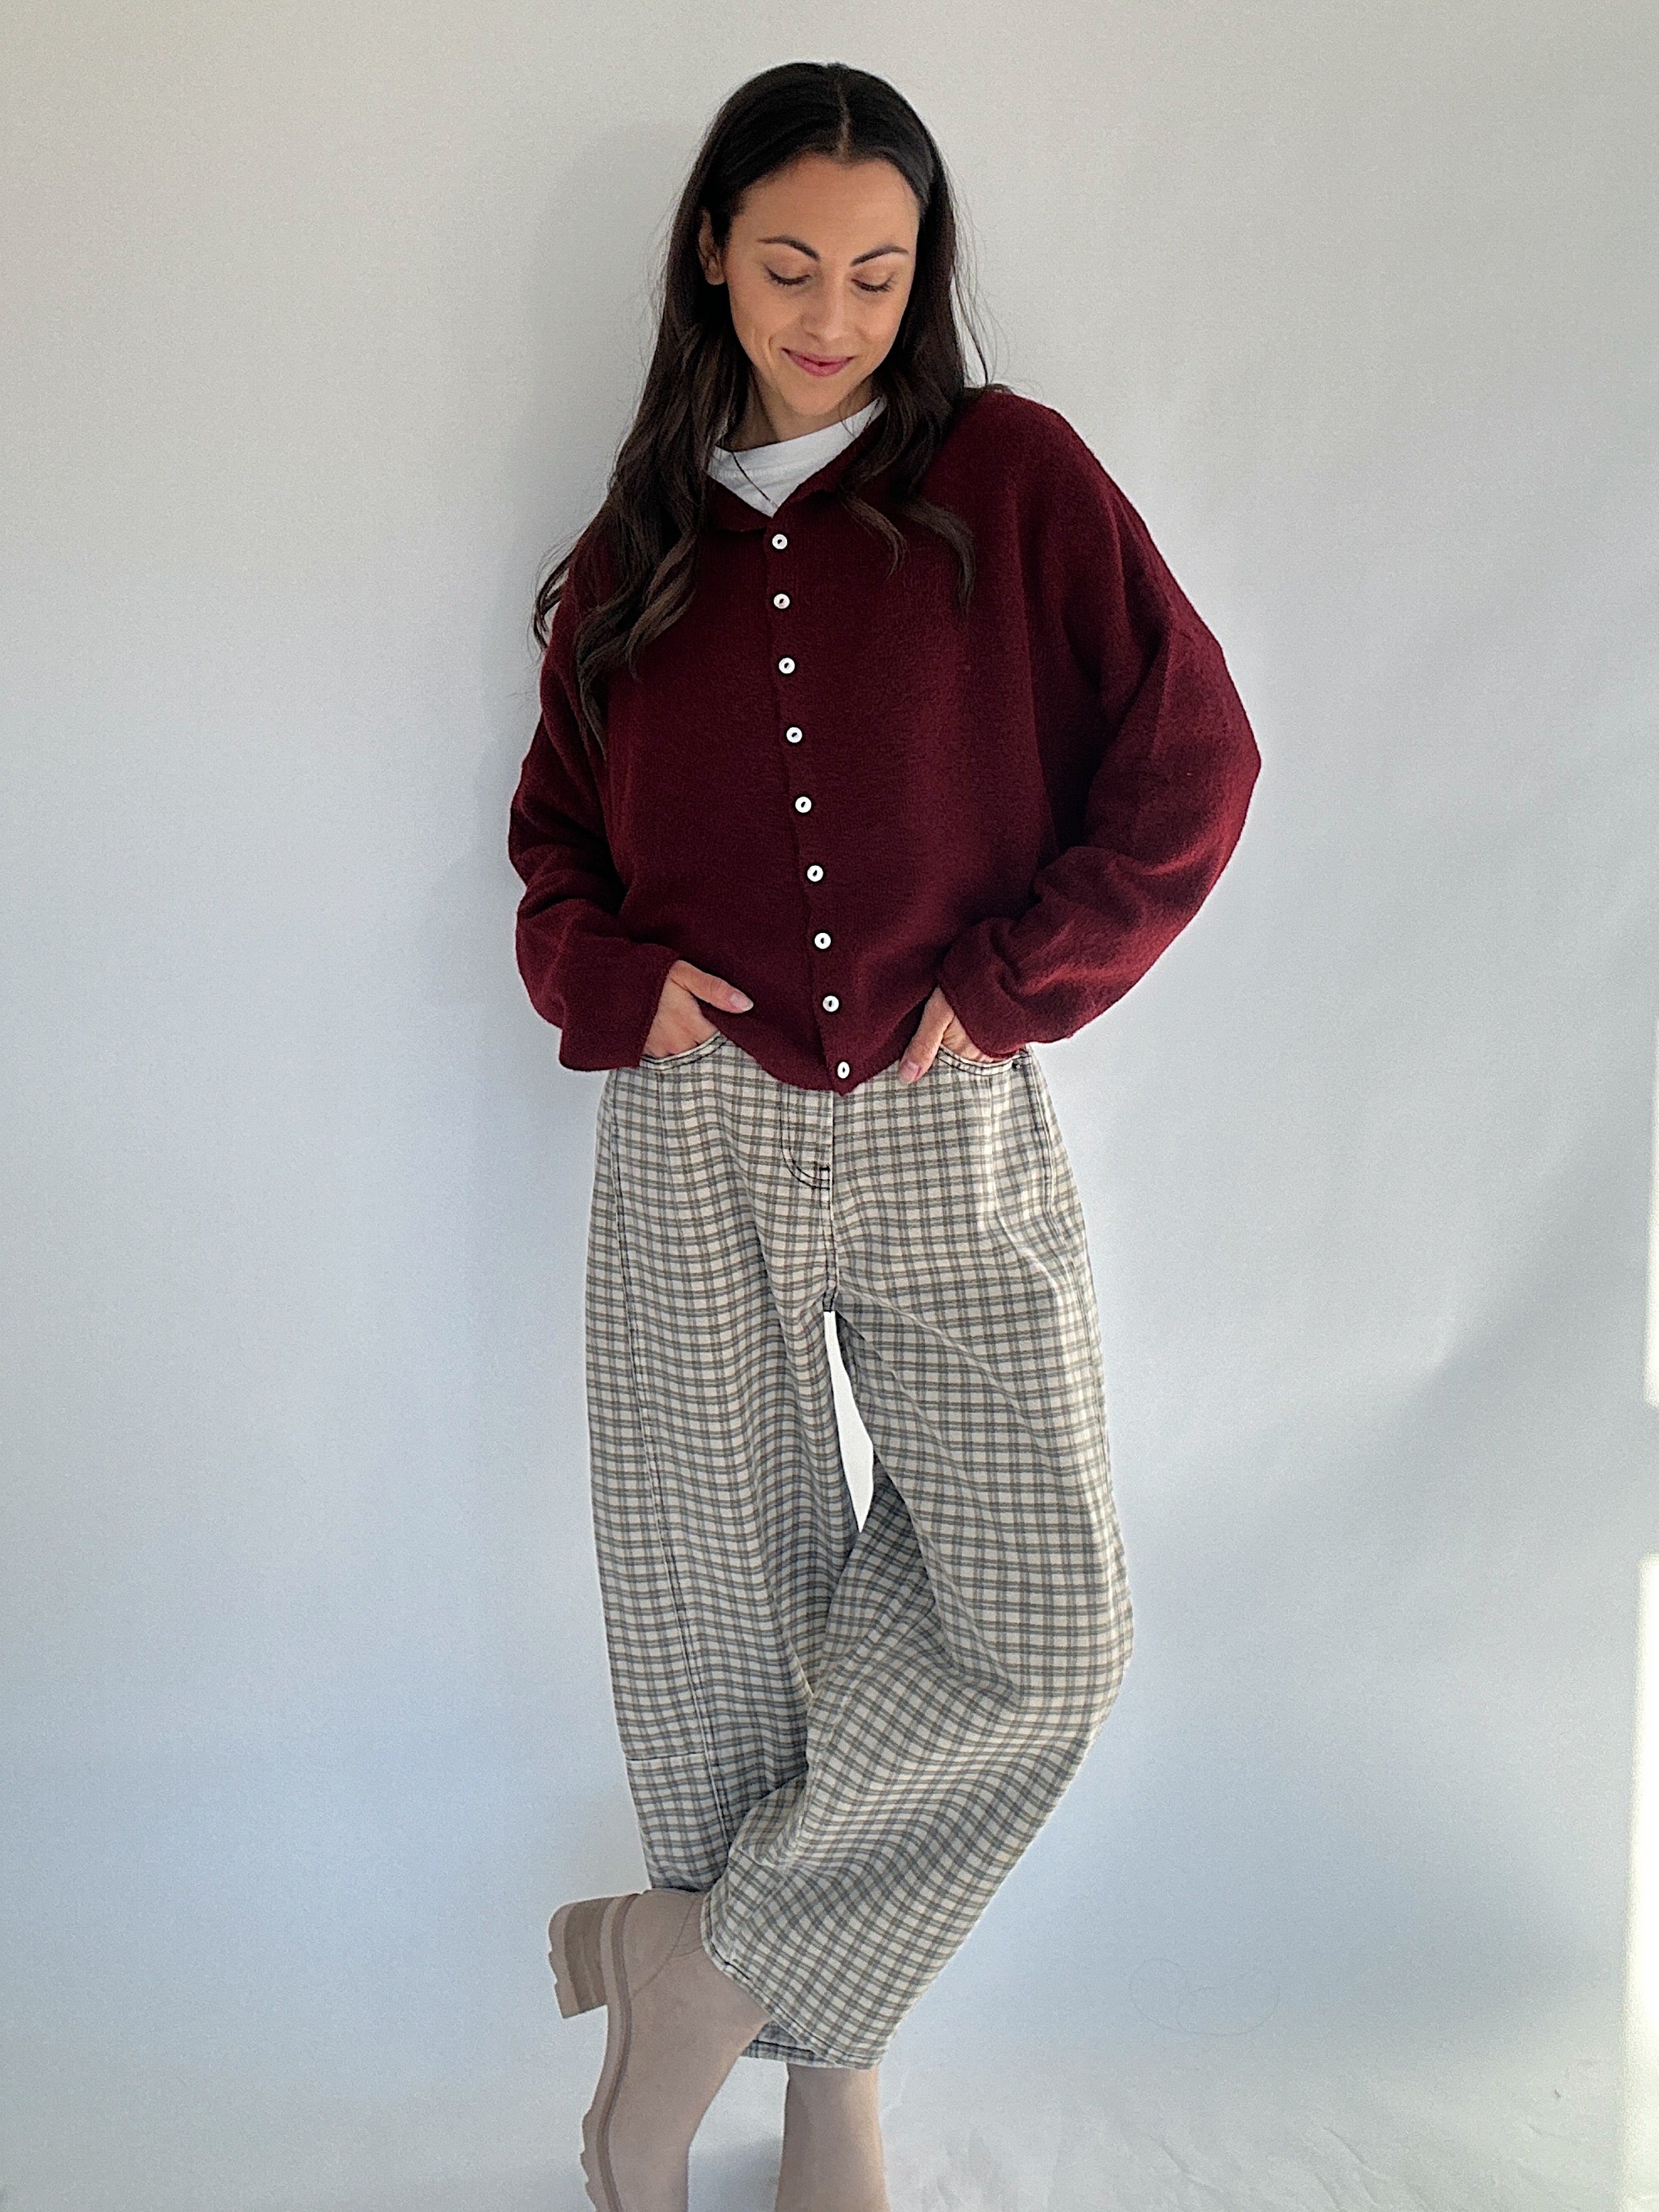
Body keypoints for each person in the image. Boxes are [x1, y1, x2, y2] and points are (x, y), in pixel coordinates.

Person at [508, 58, 1260, 2212]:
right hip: (691, 1131)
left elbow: (1194, 758)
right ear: (709, 260)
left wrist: (1017, 979)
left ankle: (693, 1960)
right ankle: (821, 2086)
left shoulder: (1012, 480)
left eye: (875, 271)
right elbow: (551, 848)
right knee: (722, 1619)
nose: (830, 314)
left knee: (1046, 1625)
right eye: (785, 266)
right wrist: (611, 979)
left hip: (947, 1114)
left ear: (922, 276)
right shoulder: (634, 547)